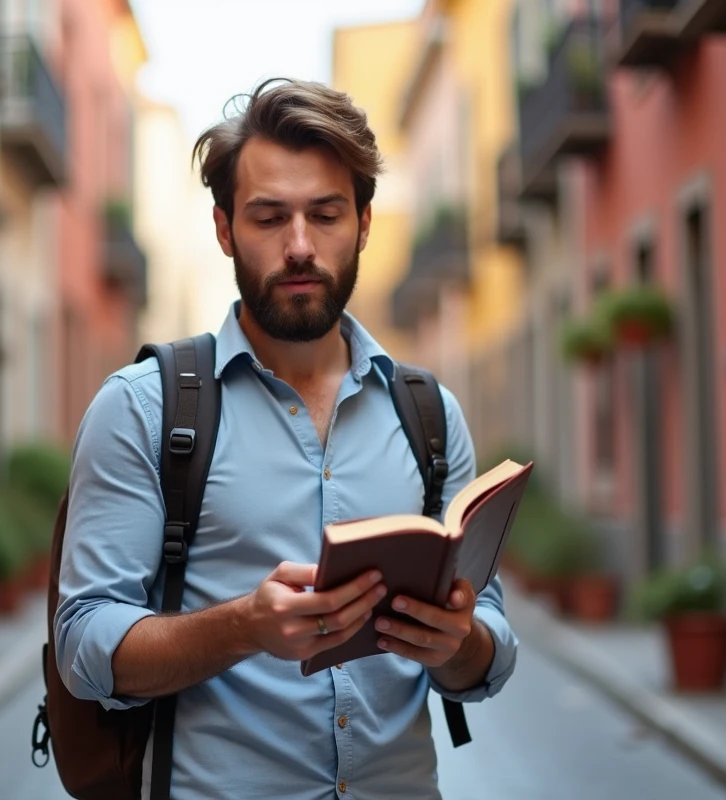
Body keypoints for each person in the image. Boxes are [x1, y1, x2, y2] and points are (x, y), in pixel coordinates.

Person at [54, 77, 519, 799]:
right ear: (223, 227)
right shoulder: (142, 410)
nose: (300, 246)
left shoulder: (429, 415)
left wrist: (459, 642)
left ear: (364, 223)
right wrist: (243, 626)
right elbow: (85, 643)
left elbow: (486, 645)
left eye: (325, 215)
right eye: (269, 217)